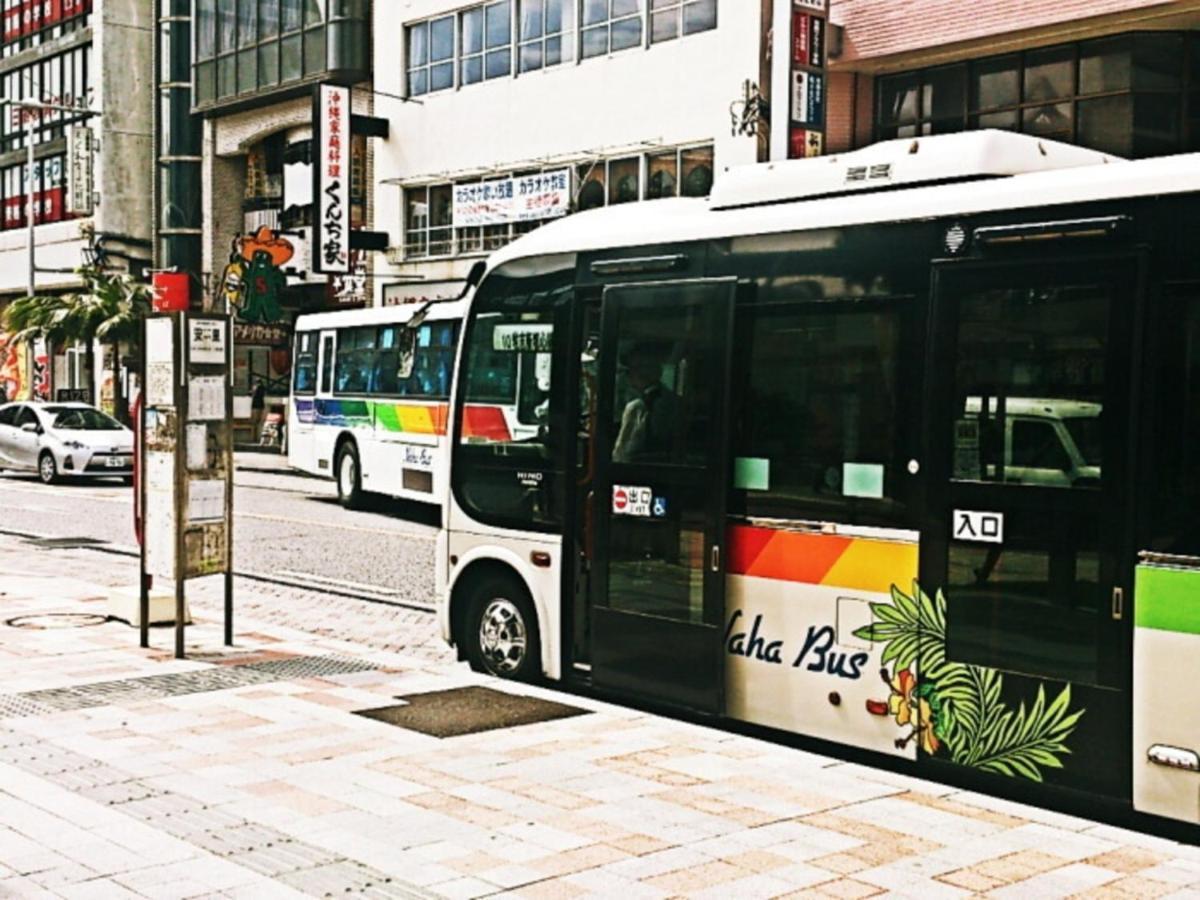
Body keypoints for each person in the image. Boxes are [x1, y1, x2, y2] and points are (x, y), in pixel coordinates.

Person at [613, 343, 677, 462]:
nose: (629, 375)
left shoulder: (635, 407)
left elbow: (622, 451)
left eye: (633, 369)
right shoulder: (674, 401)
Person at [250, 379, 266, 443]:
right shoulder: (263, 388)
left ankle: (254, 438)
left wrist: (253, 391)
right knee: (259, 421)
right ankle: (258, 437)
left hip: (255, 406)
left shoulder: (256, 388)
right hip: (261, 405)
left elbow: (252, 394)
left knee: (254, 422)